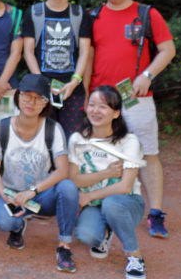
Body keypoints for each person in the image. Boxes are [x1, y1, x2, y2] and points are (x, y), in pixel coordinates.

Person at [87, 0, 175, 239]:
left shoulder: (146, 14)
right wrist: (87, 97)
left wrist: (147, 75)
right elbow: (88, 58)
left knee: (148, 155)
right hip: (101, 100)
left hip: (136, 98)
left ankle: (156, 213)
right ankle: (104, 210)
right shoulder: (94, 16)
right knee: (103, 157)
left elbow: (168, 49)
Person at [0, 74, 79, 273]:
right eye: (27, 96)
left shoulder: (53, 129)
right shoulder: (1, 128)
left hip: (41, 195)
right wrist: (4, 194)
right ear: (18, 96)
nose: (32, 102)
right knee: (5, 221)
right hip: (12, 193)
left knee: (68, 187)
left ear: (46, 103)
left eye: (39, 98)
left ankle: (64, 246)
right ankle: (17, 227)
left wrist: (32, 192)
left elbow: (63, 171)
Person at [69, 85, 148, 279]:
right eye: (92, 105)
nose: (95, 111)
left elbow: (125, 186)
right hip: (95, 204)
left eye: (103, 106)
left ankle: (134, 256)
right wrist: (106, 173)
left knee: (112, 204)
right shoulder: (78, 139)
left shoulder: (129, 142)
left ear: (116, 113)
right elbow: (74, 179)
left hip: (127, 203)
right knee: (87, 236)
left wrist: (89, 195)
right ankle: (105, 231)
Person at [21, 0, 93, 135]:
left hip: (73, 90)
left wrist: (75, 81)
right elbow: (28, 52)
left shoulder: (80, 14)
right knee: (44, 138)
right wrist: (42, 83)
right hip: (42, 92)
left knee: (72, 138)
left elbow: (85, 52)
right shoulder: (34, 13)